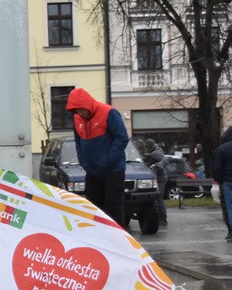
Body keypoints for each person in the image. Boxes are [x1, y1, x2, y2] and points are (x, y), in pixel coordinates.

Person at [65, 87, 129, 225]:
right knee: (93, 208)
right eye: (75, 111)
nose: (79, 113)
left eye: (80, 109)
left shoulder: (109, 113)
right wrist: (83, 161)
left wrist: (108, 160)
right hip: (92, 170)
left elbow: (122, 138)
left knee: (114, 207)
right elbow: (78, 142)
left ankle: (118, 241)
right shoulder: (78, 118)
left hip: (113, 170)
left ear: (86, 105)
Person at [142, 138, 168, 226]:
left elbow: (165, 160)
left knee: (158, 198)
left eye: (146, 146)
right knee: (158, 198)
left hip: (160, 177)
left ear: (149, 146)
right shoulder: (157, 151)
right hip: (160, 177)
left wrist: (156, 165)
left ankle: (163, 219)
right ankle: (162, 218)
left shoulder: (155, 153)